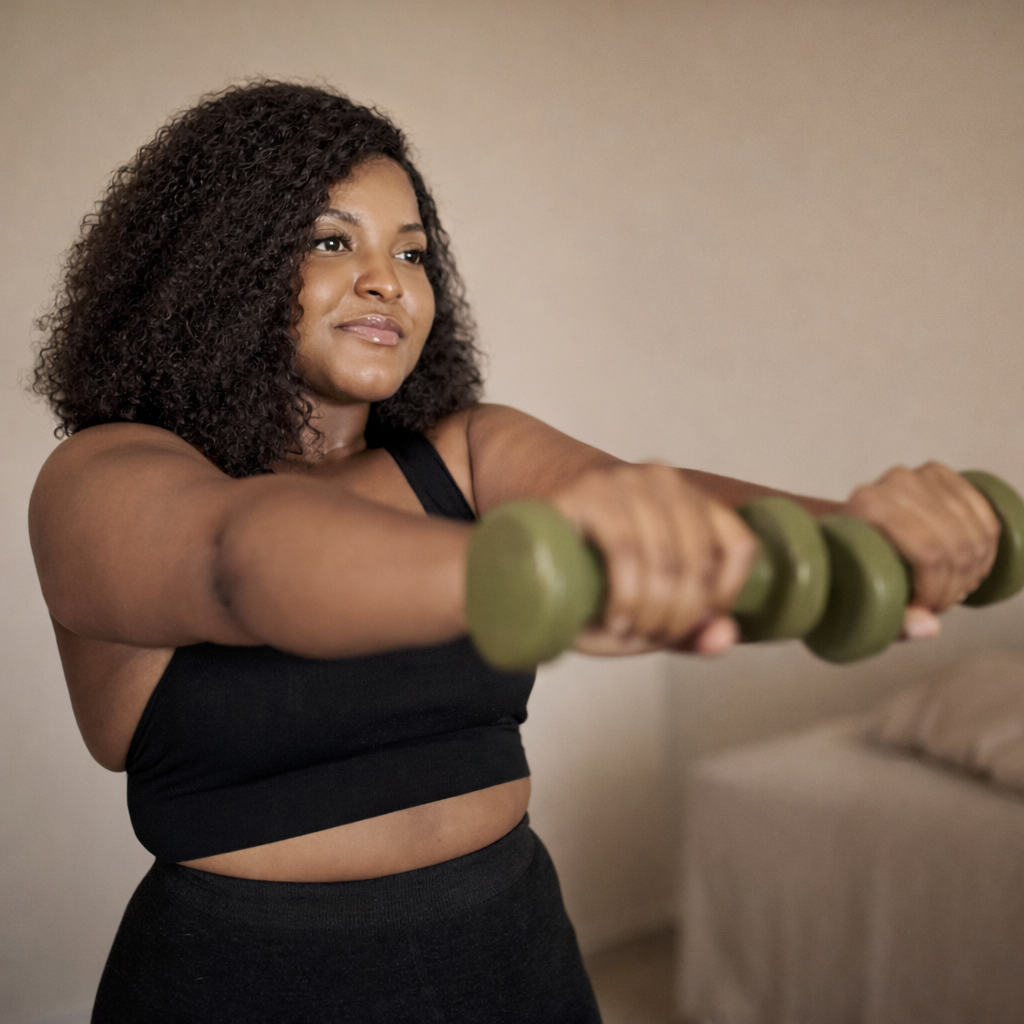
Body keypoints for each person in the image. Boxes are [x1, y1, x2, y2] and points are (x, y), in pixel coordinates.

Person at [28, 81, 999, 1023]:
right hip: (246, 978)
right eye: (333, 241)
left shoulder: (464, 448)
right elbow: (238, 561)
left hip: (512, 951)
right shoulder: (107, 475)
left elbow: (653, 507)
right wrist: (542, 575)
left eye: (412, 255)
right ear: (216, 266)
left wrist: (877, 535)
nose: (386, 282)